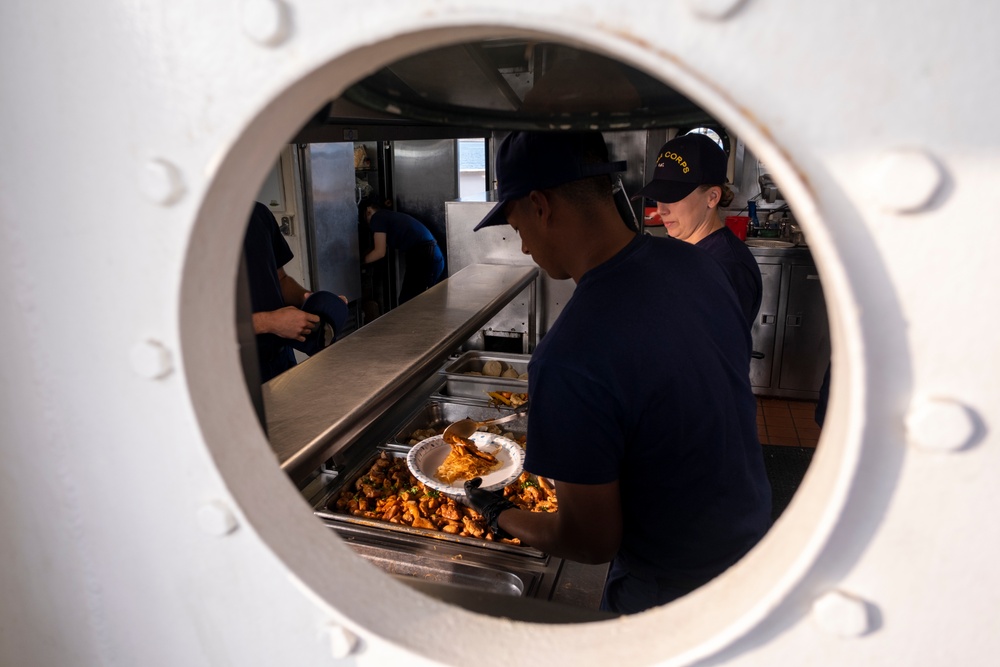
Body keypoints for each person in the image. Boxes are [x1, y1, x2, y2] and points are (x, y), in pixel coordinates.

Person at [465, 131, 772, 615]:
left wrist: (502, 516)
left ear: (541, 206)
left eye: (514, 224)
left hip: (673, 585)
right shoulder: (697, 264)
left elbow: (590, 542)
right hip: (756, 538)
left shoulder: (569, 357)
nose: (522, 246)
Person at [635, 133, 763, 330]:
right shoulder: (686, 250)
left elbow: (711, 356)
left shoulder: (727, 268)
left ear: (712, 197)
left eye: (673, 197)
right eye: (658, 197)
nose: (661, 209)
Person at [242, 201, 346, 382]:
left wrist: (309, 298)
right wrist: (268, 322)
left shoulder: (257, 213)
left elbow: (280, 279)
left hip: (279, 359)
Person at [360, 198, 445, 304]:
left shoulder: (377, 217)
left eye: (365, 219)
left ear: (368, 211)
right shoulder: (388, 217)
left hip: (424, 255)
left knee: (409, 303)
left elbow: (379, 252)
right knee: (413, 302)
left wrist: (358, 263)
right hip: (429, 255)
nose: (369, 225)